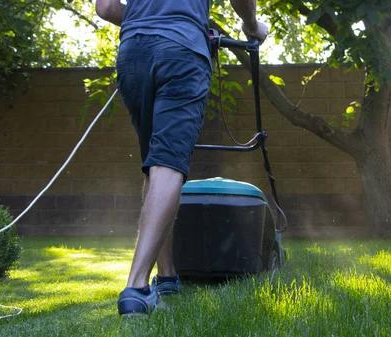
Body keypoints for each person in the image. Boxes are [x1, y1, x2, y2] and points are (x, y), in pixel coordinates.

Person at [95, 0, 269, 316]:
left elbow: (105, 8)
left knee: (153, 166)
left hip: (133, 51)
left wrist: (146, 19)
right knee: (168, 162)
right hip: (183, 51)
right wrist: (253, 26)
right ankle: (137, 288)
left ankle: (167, 276)